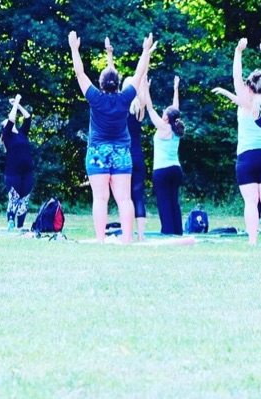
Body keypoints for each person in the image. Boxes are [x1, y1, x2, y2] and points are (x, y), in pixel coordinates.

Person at [68, 31, 155, 244]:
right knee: (125, 199)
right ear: (118, 84)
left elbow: (80, 74)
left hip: (98, 151)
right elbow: (139, 72)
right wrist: (145, 51)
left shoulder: (95, 98)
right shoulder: (125, 97)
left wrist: (74, 49)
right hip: (121, 153)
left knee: (100, 198)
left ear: (100, 83)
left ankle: (100, 240)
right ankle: (127, 240)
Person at [212, 38, 261, 245]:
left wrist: (238, 51)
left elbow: (235, 77)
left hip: (246, 156)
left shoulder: (245, 103)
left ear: (248, 87)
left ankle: (252, 240)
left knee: (251, 201)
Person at [106, 38, 148, 241]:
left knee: (124, 198)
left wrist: (110, 55)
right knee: (137, 197)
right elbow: (141, 77)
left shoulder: (121, 105)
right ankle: (140, 236)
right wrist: (146, 54)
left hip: (123, 154)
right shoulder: (140, 109)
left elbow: (111, 78)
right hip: (138, 156)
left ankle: (127, 234)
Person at [144, 75, 184, 236]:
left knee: (163, 202)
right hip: (176, 169)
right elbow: (176, 108)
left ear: (167, 117)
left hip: (161, 170)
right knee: (174, 200)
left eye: (164, 112)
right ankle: (177, 231)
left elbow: (150, 108)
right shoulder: (175, 128)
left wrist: (146, 88)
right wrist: (175, 89)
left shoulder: (163, 127)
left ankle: (168, 232)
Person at [0, 94, 34, 230]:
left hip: (27, 172)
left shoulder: (21, 133)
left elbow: (28, 117)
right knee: (14, 198)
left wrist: (18, 105)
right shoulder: (7, 135)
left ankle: (20, 226)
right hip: (13, 172)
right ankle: (10, 222)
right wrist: (16, 102)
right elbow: (11, 119)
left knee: (24, 199)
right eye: (6, 122)